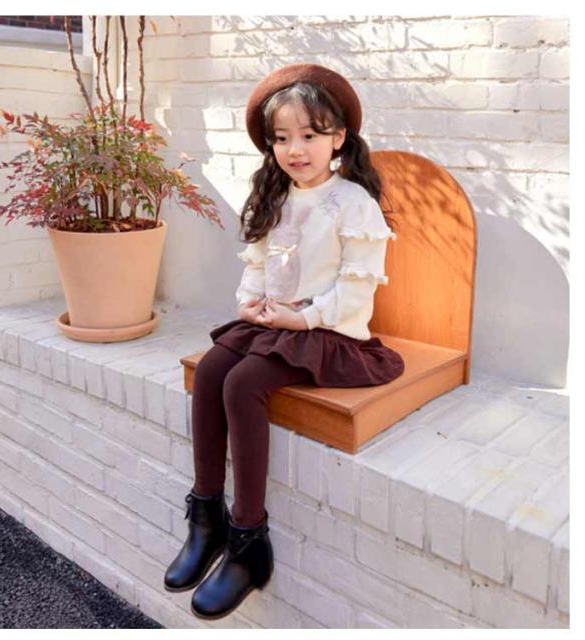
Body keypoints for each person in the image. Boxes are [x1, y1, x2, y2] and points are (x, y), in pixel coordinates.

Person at [163, 63, 405, 620]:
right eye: (282, 138)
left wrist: (305, 319)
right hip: (273, 325)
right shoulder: (275, 195)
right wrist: (249, 303)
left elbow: (357, 291)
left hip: (327, 333)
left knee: (244, 382)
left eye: (310, 135)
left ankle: (249, 539)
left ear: (338, 137)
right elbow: (258, 264)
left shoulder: (354, 203)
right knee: (214, 368)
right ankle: (206, 515)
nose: (295, 150)